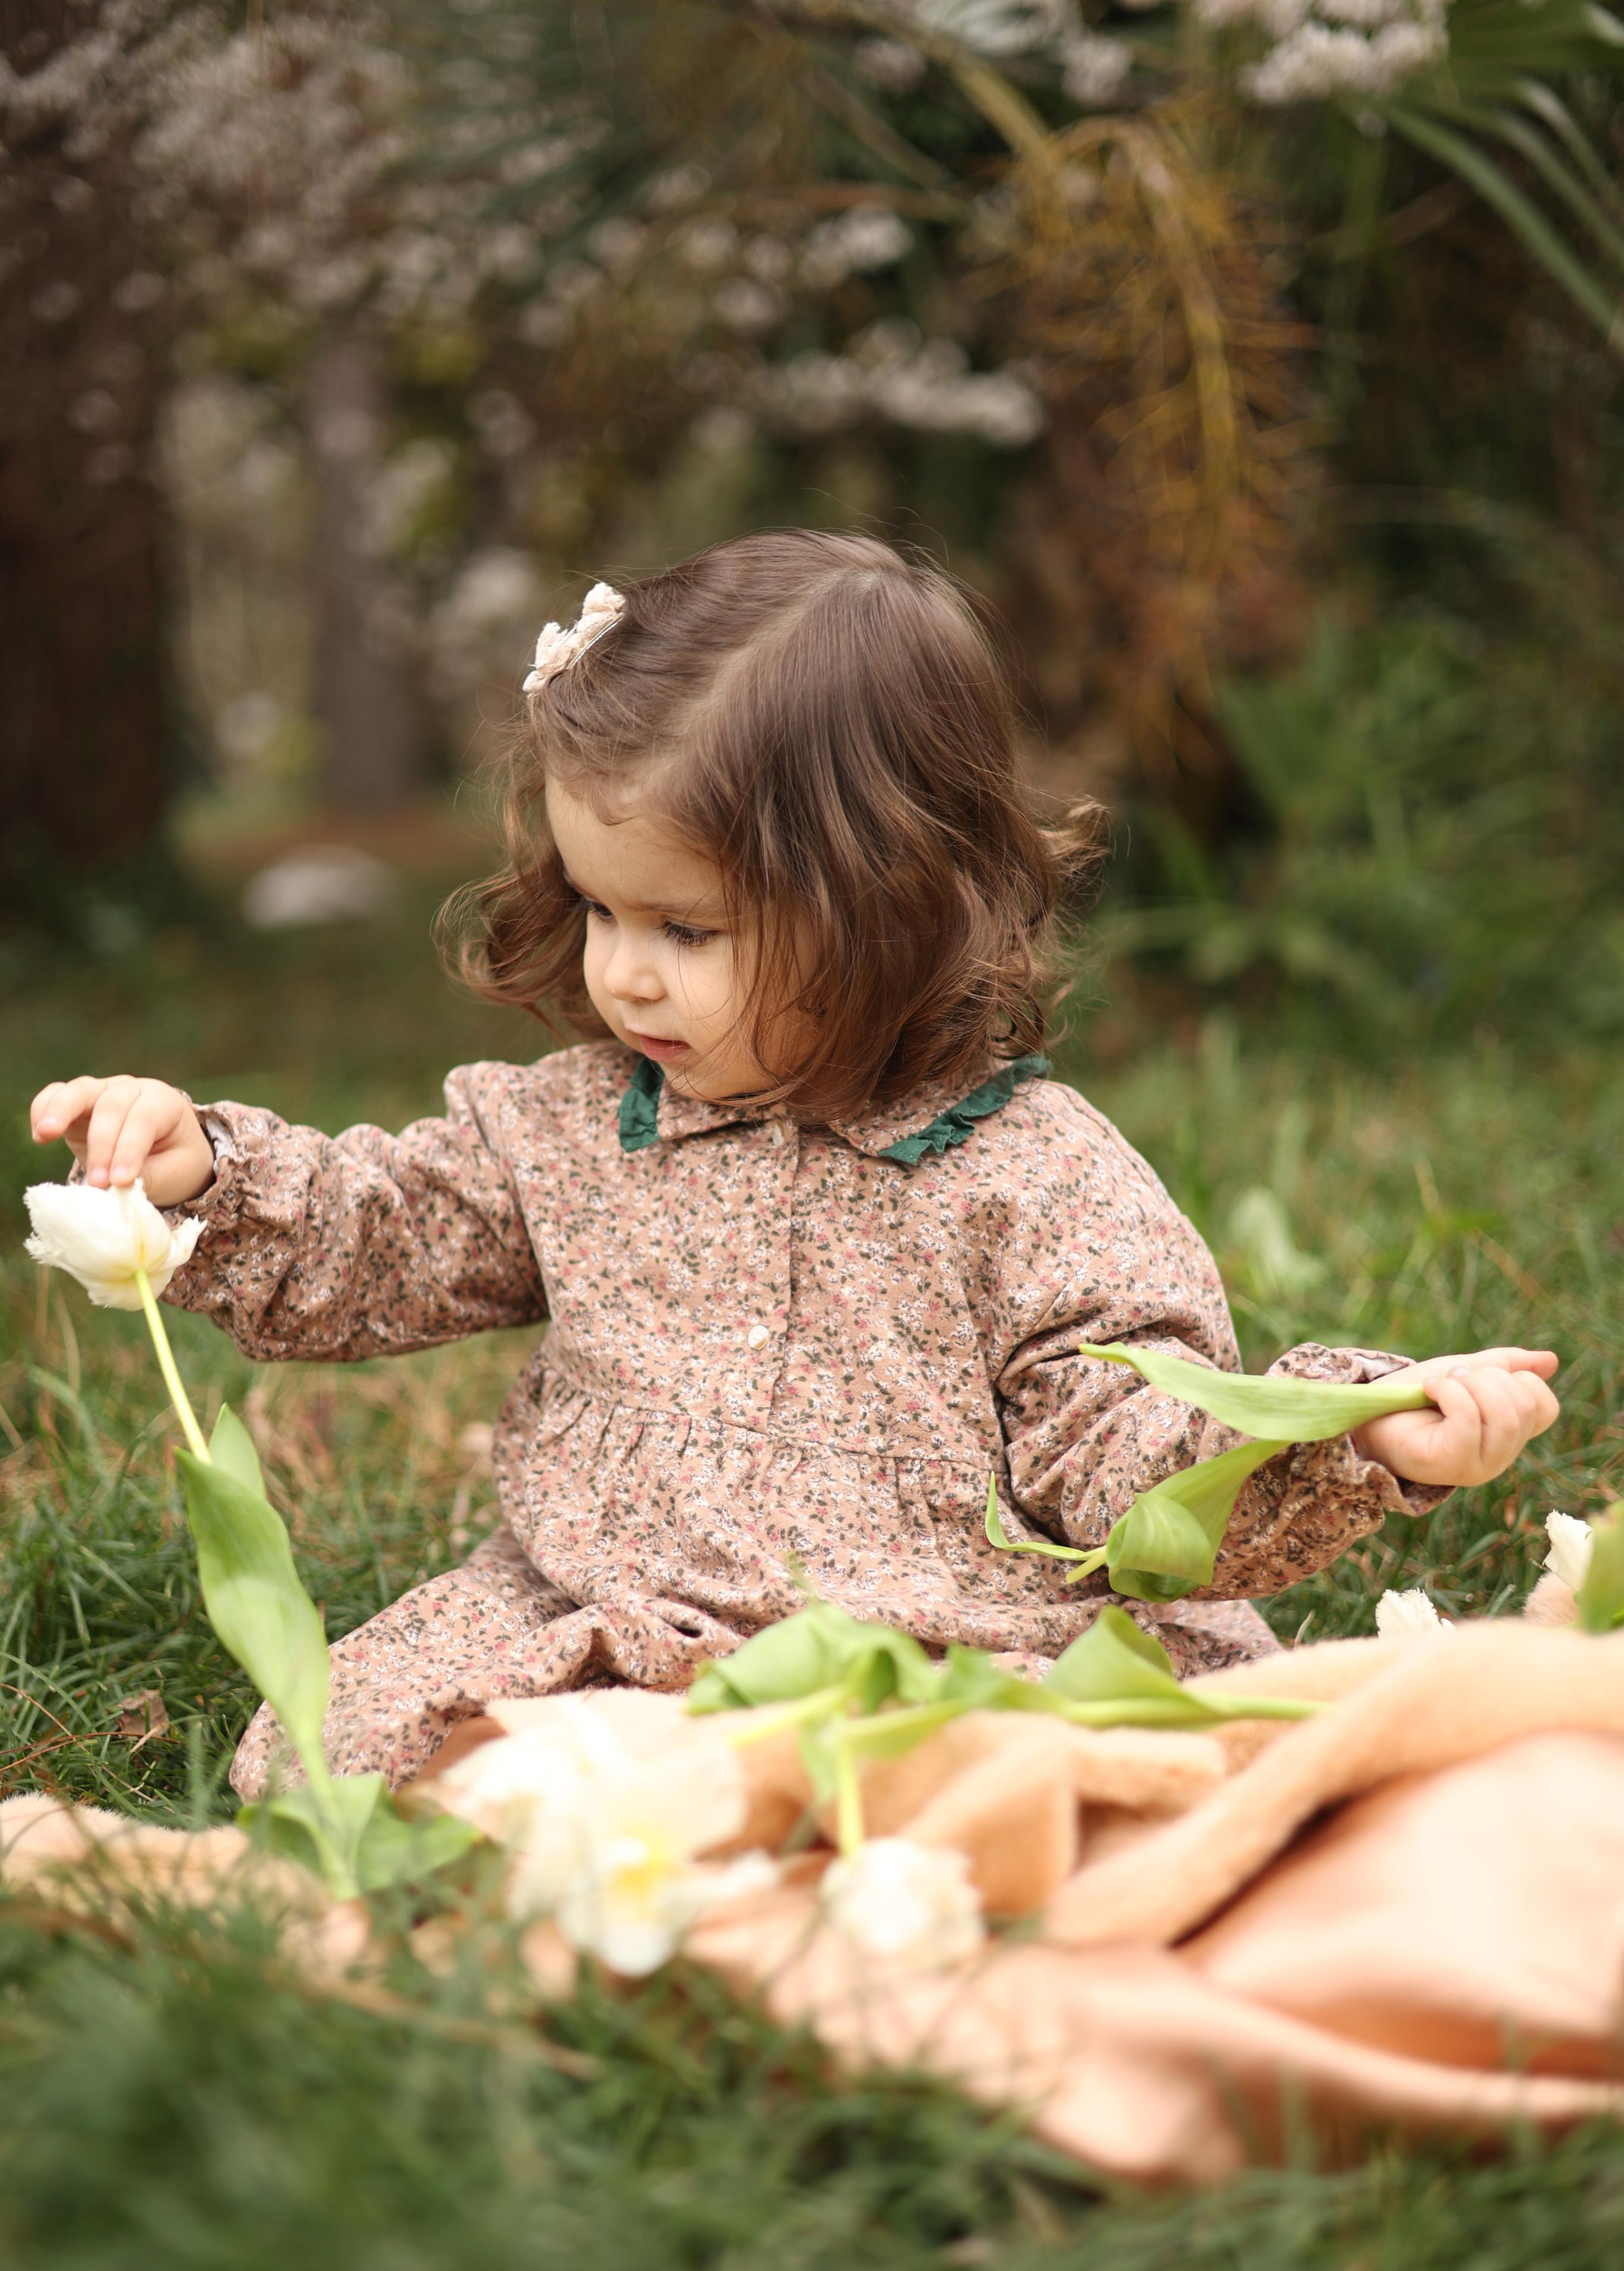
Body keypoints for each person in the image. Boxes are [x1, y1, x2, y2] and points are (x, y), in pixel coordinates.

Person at [29, 533, 1559, 1796]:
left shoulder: (1027, 1178)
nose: (624, 978)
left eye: (686, 931)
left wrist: (1344, 1435)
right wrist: (201, 1176)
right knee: (364, 1754)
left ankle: (853, 1839)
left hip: (958, 1643)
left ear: (896, 901)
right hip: (616, 1620)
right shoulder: (578, 1129)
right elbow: (391, 1231)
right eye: (602, 910)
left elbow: (1130, 1460)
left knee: (1029, 1775)